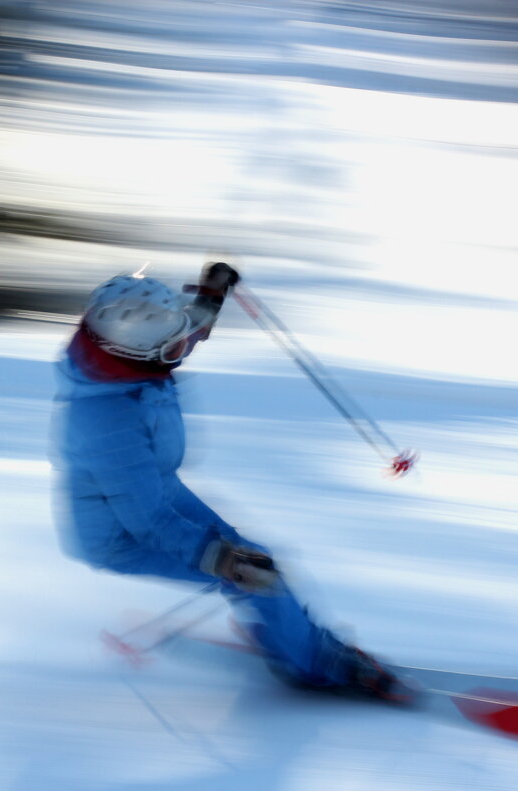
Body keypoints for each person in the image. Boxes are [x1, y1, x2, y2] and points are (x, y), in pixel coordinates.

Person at [51, 261, 411, 703]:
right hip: (121, 532)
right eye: (171, 346)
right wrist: (221, 560)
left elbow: (182, 332)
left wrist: (211, 295)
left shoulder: (123, 356)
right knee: (255, 573)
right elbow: (147, 522)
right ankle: (315, 667)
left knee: (259, 563)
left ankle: (294, 634)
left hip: (154, 491)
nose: (182, 346)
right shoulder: (106, 422)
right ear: (140, 352)